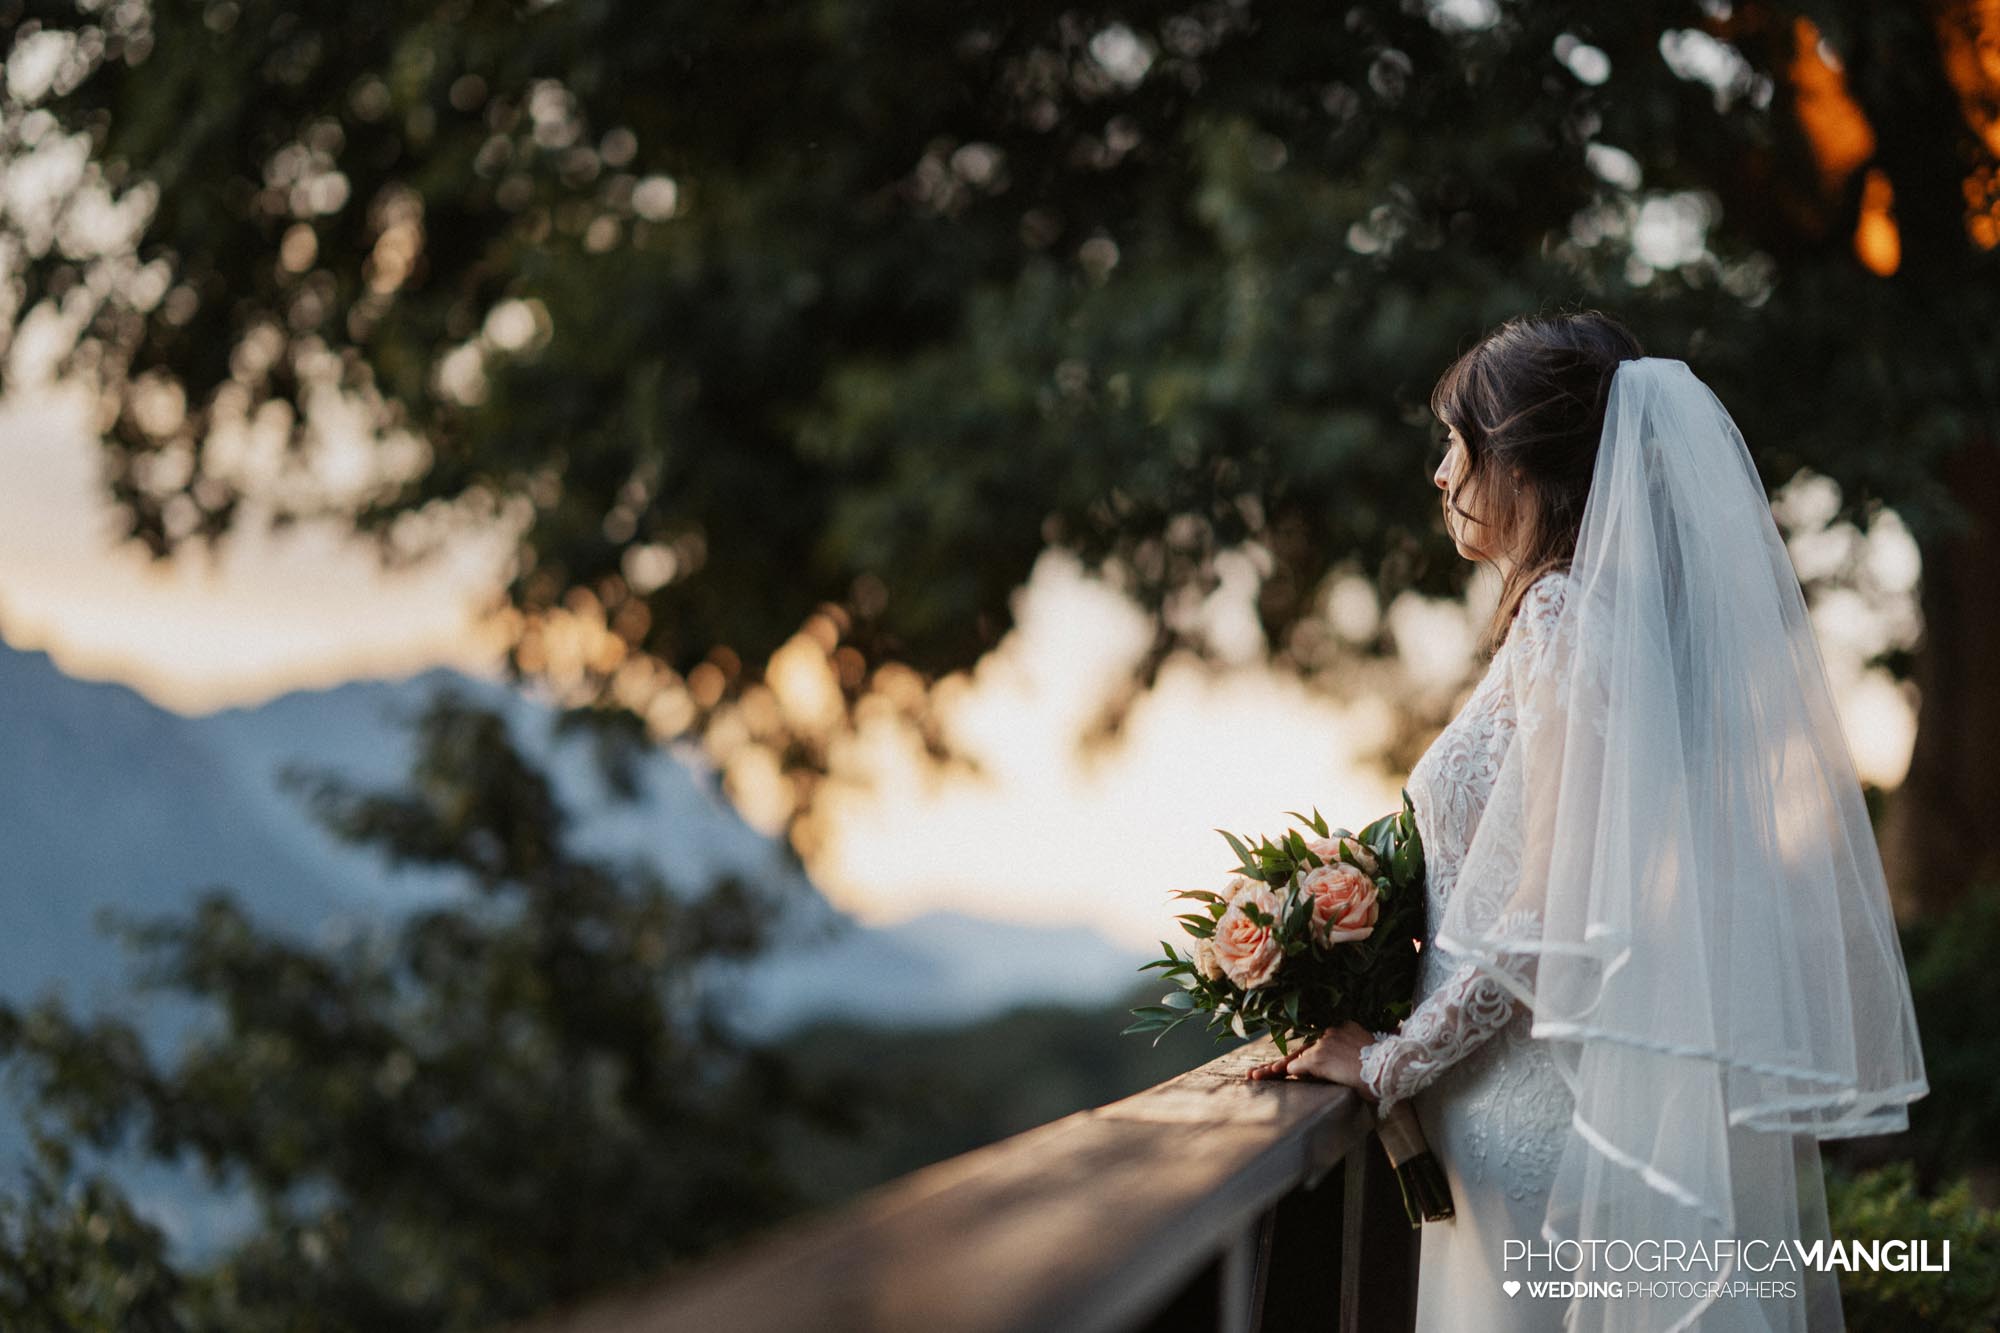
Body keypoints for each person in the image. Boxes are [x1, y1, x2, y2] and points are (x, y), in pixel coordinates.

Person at [1246, 311, 1927, 1332]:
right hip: (1536, 1104)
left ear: (1521, 464)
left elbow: (1549, 910)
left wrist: (1391, 1058)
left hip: (1529, 1116)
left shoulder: (1564, 620)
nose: (1440, 474)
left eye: (1456, 444)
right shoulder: (1601, 628)